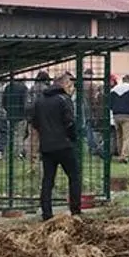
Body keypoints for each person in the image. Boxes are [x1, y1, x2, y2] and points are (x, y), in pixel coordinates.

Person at [28, 73, 82, 221]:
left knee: (48, 180)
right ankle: (75, 210)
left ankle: (47, 213)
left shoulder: (39, 101)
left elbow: (35, 123)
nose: (71, 88)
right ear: (64, 84)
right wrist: (73, 138)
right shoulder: (64, 99)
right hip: (64, 145)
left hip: (47, 146)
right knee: (74, 177)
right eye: (70, 84)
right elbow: (70, 122)